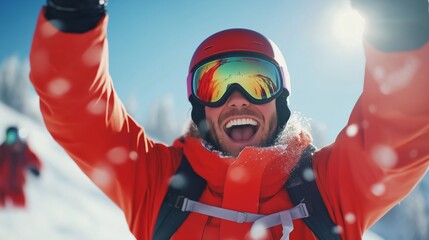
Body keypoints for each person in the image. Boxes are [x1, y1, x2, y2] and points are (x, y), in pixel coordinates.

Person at [29, 0, 429, 239]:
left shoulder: (329, 192)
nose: (236, 100)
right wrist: (73, 16)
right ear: (199, 106)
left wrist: (399, 24)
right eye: (215, 84)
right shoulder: (159, 187)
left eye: (257, 81)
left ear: (281, 97)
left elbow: (400, 128)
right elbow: (80, 112)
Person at [0, 126, 42, 207]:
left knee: (20, 208)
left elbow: (35, 160)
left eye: (14, 137)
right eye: (10, 138)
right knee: (3, 209)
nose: (13, 142)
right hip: (2, 188)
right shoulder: (3, 150)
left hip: (17, 188)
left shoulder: (24, 151)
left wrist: (34, 167)